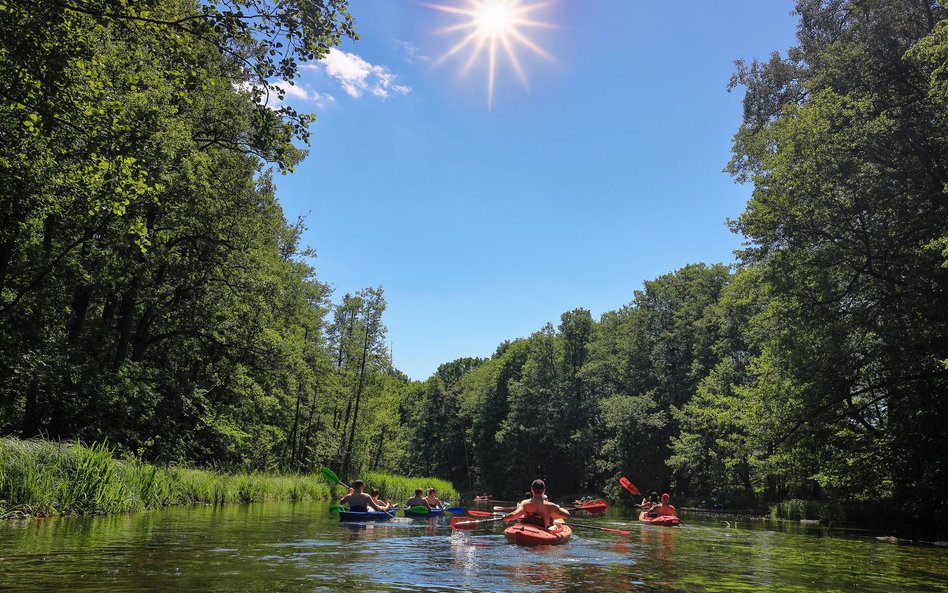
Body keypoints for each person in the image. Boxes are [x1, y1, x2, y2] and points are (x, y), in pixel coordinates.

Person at [504, 479, 571, 528]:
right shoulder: (550, 506)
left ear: (531, 490)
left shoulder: (525, 503)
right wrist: (559, 508)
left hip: (527, 529)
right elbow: (567, 515)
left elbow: (514, 515)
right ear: (544, 490)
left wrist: (506, 517)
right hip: (543, 530)